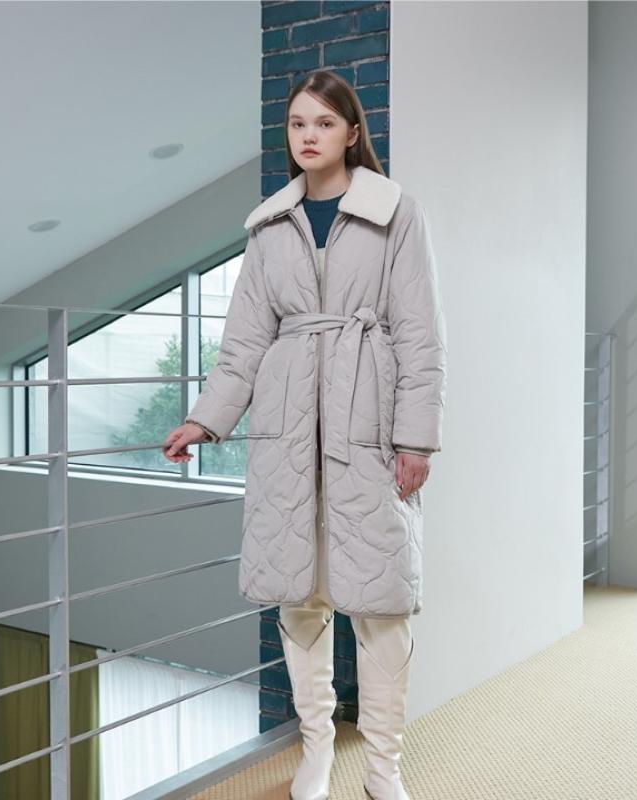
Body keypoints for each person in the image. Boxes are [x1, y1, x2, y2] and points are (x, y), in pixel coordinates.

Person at [163, 70, 447, 800]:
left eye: (323, 122)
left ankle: (382, 764)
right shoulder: (269, 227)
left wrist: (415, 440)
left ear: (352, 132)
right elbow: (244, 342)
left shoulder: (395, 212)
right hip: (285, 432)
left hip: (367, 426)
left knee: (381, 604)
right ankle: (316, 746)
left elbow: (420, 335)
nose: (308, 136)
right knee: (300, 598)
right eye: (297, 124)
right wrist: (206, 418)